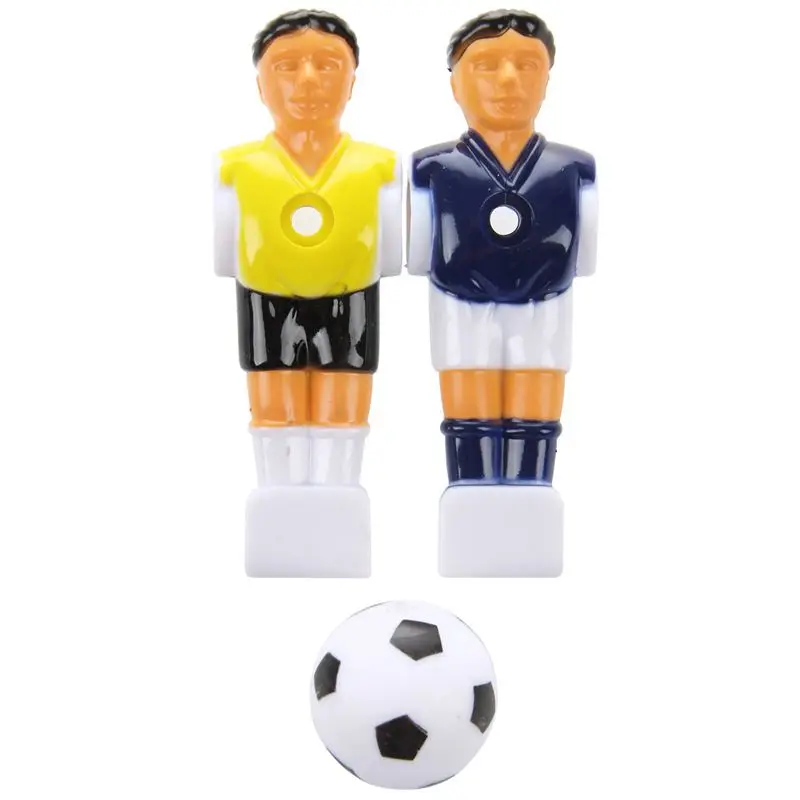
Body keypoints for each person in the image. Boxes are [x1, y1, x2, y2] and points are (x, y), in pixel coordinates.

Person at [407, 10, 598, 576]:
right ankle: (470, 498)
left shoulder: (571, 170)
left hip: (546, 310)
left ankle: (530, 497)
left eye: (527, 65)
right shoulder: (434, 169)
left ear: (547, 80)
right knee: (468, 415)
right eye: (487, 65)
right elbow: (418, 251)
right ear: (455, 83)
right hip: (460, 308)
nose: (509, 80)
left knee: (534, 417)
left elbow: (585, 254)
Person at [213, 10, 402, 577]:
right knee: (277, 413)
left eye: (328, 65)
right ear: (260, 84)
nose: (309, 80)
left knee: (342, 414)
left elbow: (389, 255)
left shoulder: (379, 168)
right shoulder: (237, 169)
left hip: (352, 303)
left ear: (353, 81)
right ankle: (280, 503)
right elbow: (225, 254)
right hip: (266, 303)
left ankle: (339, 501)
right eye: (287, 66)